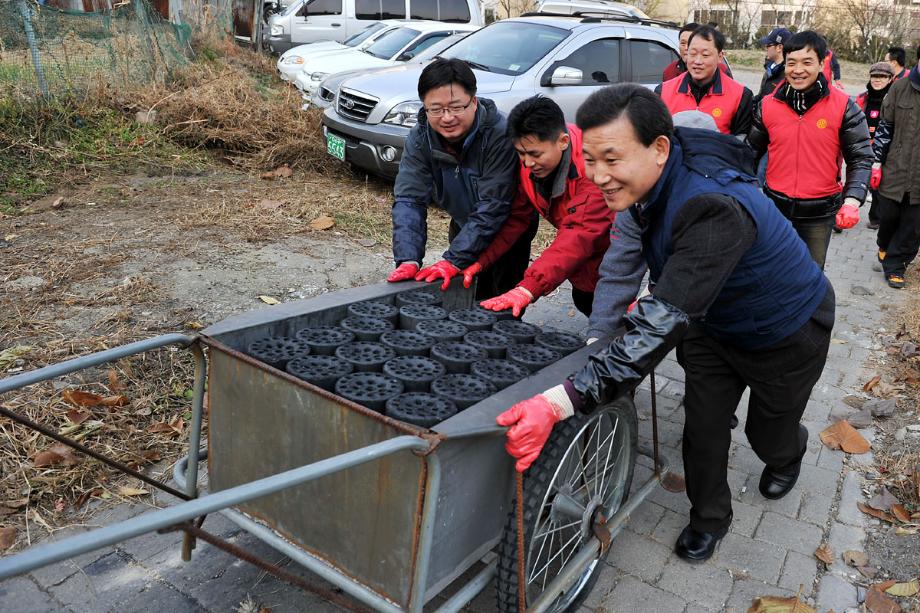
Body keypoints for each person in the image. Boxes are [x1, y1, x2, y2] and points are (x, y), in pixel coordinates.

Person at [495, 83, 835, 564]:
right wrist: (598, 344)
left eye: (612, 159)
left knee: (768, 434)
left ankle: (788, 451)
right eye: (591, 160)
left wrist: (560, 401)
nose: (599, 176)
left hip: (783, 330)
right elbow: (619, 269)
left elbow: (662, 319)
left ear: (659, 148)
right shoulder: (639, 193)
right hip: (709, 326)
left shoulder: (712, 202)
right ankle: (710, 518)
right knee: (704, 430)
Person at [387, 58, 536, 298]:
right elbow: (409, 198)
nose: (446, 117)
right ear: (425, 107)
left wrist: (454, 258)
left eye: (456, 107)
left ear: (473, 102)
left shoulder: (500, 134)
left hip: (508, 230)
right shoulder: (420, 137)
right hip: (464, 222)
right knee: (462, 292)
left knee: (500, 299)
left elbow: (494, 205)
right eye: (436, 109)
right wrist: (408, 258)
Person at [461, 96, 613, 317]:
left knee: (610, 308)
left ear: (562, 142)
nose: (527, 163)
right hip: (587, 250)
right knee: (586, 299)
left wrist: (527, 288)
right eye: (521, 153)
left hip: (622, 248)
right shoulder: (531, 163)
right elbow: (515, 218)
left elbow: (578, 235)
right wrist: (480, 260)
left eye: (534, 154)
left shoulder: (593, 172)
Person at [747, 31, 873, 269]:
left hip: (819, 213)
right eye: (791, 63)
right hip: (775, 209)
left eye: (807, 62)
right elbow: (750, 153)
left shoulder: (844, 106)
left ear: (822, 63)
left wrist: (853, 199)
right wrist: (746, 191)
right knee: (772, 272)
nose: (798, 70)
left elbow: (861, 156)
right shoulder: (768, 106)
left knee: (811, 276)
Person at [871, 45, 920, 289]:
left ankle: (896, 265)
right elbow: (884, 128)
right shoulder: (899, 89)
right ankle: (884, 243)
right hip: (895, 167)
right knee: (888, 216)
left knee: (913, 226)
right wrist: (877, 162)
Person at [656, 25, 753, 136]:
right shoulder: (663, 92)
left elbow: (740, 145)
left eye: (705, 55)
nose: (697, 61)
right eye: (692, 54)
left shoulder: (740, 96)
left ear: (720, 56)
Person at [855, 62, 895, 229]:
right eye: (874, 76)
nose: (877, 80)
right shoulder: (862, 97)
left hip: (884, 149)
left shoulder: (893, 99)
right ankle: (844, 213)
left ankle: (875, 218)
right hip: (862, 146)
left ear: (890, 79)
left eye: (882, 77)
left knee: (877, 186)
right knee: (856, 180)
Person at [661, 22, 732, 82]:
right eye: (683, 43)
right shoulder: (670, 71)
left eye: (690, 43)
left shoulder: (722, 70)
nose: (686, 48)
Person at [757, 27, 791, 100]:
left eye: (768, 45)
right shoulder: (770, 69)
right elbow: (761, 97)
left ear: (779, 47)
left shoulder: (788, 74)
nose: (765, 48)